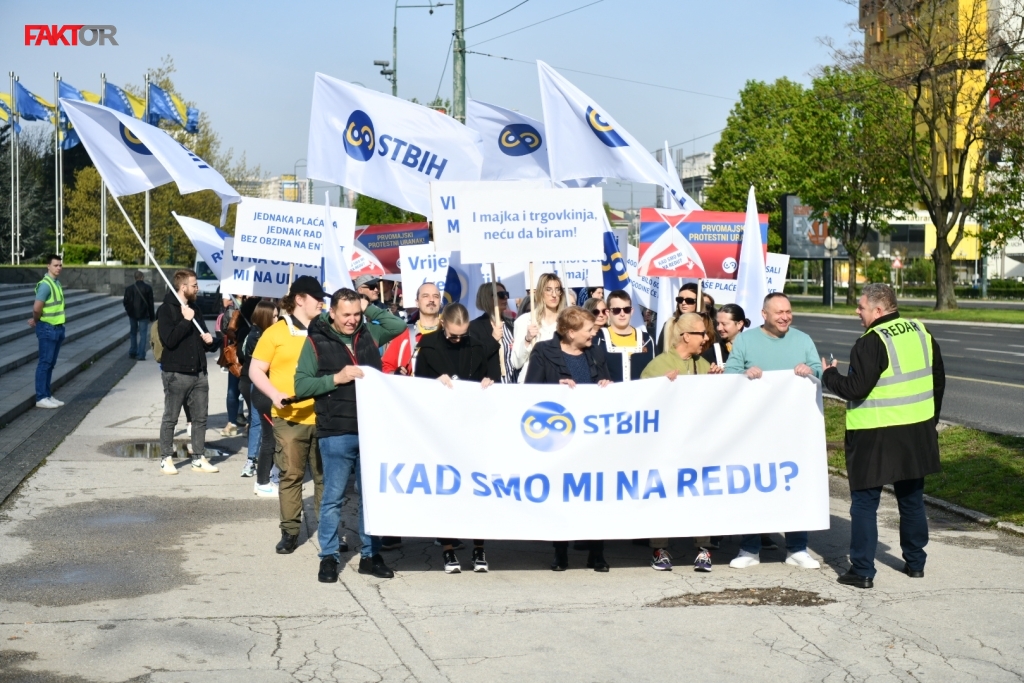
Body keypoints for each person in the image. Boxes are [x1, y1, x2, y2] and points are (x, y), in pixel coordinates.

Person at [822, 284, 945, 589]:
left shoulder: (871, 341)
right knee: (912, 500)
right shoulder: (920, 331)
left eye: (860, 307)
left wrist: (830, 376)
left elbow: (856, 389)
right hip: (916, 431)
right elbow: (938, 380)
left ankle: (862, 571)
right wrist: (931, 422)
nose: (857, 312)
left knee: (864, 504)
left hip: (875, 435)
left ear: (878, 310)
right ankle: (916, 563)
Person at [293, 287, 406, 582]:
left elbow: (398, 326)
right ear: (332, 313)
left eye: (357, 314)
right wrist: (336, 378)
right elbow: (302, 386)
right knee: (333, 497)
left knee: (371, 497)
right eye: (346, 314)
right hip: (336, 431)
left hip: (371, 429)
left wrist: (368, 306)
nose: (352, 320)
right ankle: (328, 556)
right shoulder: (315, 341)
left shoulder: (369, 333)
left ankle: (370, 555)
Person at [724, 292, 823, 570]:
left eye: (788, 311)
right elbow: (731, 372)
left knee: (795, 486)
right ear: (764, 314)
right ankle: (749, 549)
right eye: (778, 312)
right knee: (755, 485)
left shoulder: (803, 340)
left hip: (794, 431)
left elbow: (819, 373)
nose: (785, 317)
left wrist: (811, 370)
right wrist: (745, 374)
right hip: (755, 431)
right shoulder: (745, 340)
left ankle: (797, 548)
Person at [525, 306, 612, 572]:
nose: (593, 334)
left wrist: (608, 385)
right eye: (588, 330)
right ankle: (560, 551)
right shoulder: (543, 351)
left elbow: (613, 386)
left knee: (597, 495)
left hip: (593, 437)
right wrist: (555, 390)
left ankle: (596, 552)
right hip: (559, 436)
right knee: (562, 495)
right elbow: (530, 393)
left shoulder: (596, 352)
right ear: (571, 332)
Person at [249, 276, 327, 555]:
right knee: (291, 475)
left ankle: (329, 532)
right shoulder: (275, 333)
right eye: (317, 297)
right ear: (299, 299)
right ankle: (290, 532)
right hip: (289, 417)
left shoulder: (326, 329)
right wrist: (274, 394)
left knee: (324, 478)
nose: (322, 301)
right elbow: (255, 370)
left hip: (323, 416)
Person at [415, 303, 495, 573]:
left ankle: (479, 548)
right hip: (443, 429)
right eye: (453, 335)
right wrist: (434, 383)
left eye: (463, 334)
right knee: (447, 487)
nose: (458, 340)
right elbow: (419, 386)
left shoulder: (479, 346)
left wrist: (489, 381)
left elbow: (495, 376)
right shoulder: (428, 346)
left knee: (478, 488)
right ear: (442, 325)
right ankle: (448, 549)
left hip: (475, 426)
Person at [640, 312, 723, 571]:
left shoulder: (704, 363)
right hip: (666, 445)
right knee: (663, 494)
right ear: (686, 336)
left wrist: (715, 384)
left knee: (702, 492)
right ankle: (659, 547)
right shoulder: (658, 365)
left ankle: (703, 547)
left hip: (698, 444)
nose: (706, 338)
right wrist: (661, 387)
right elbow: (641, 401)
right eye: (701, 333)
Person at [156, 269, 218, 475]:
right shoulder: (166, 309)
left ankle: (198, 458)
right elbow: (170, 340)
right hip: (176, 373)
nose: (197, 288)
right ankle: (166, 457)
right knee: (170, 417)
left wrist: (211, 342)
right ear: (183, 287)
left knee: (200, 418)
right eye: (194, 285)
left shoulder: (195, 308)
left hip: (199, 372)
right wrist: (185, 320)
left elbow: (202, 339)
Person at [238, 300, 277, 485]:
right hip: (259, 383)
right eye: (275, 316)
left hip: (258, 383)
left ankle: (255, 460)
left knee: (259, 422)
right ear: (265, 317)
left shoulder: (262, 333)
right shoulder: (259, 336)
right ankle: (253, 460)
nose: (278, 319)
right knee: (260, 423)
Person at [513, 273, 568, 383]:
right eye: (548, 289)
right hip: (532, 382)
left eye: (557, 290)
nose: (554, 295)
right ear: (540, 293)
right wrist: (527, 339)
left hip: (559, 381)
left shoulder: (567, 321)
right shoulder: (525, 320)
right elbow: (516, 362)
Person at [381, 282, 442, 377]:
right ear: (417, 303)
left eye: (436, 296)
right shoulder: (405, 334)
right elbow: (386, 367)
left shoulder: (451, 333)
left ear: (440, 301)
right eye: (425, 296)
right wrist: (396, 373)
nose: (431, 300)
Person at [594, 289, 655, 382]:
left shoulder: (647, 339)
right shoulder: (598, 339)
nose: (622, 314)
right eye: (616, 310)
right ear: (607, 313)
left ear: (632, 311)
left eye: (626, 309)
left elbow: (656, 373)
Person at [30, 254, 66, 409]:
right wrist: (36, 320)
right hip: (47, 328)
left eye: (60, 265)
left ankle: (47, 394)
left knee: (50, 363)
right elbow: (37, 308)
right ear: (48, 266)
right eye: (55, 265)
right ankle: (41, 397)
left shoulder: (56, 283)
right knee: (45, 363)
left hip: (57, 328)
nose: (58, 268)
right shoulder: (45, 285)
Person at [468, 282, 515, 383]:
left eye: (506, 294)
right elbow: (473, 358)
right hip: (492, 386)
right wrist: (493, 339)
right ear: (487, 298)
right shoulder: (474, 327)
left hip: (515, 384)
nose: (506, 297)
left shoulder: (512, 324)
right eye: (501, 295)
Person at [703, 303, 750, 367]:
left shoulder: (754, 348)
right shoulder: (712, 353)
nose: (719, 328)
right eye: (718, 324)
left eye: (724, 324)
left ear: (739, 324)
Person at [656, 282, 700, 352]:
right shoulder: (670, 324)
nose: (683, 303)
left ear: (699, 302)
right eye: (680, 299)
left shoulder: (707, 325)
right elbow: (660, 351)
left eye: (689, 300)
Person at [123, 270, 155, 361]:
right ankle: (141, 354)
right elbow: (150, 303)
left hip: (132, 314)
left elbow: (125, 302)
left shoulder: (129, 289)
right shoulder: (148, 288)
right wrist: (152, 316)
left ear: (135, 278)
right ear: (142, 277)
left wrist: (129, 311)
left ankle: (133, 351)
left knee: (133, 333)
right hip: (144, 314)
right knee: (143, 334)